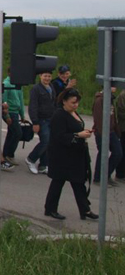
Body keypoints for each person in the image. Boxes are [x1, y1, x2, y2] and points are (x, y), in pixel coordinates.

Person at [44, 88, 98, 220]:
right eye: (73, 102)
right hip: (61, 156)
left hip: (75, 155)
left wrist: (83, 132)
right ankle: (50, 209)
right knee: (58, 182)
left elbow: (75, 128)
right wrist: (78, 135)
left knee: (78, 182)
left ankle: (85, 210)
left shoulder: (74, 113)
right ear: (64, 101)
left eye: (77, 102)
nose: (75, 105)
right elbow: (59, 136)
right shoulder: (59, 115)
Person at [26, 71, 56, 175]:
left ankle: (43, 165)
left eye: (49, 76)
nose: (47, 78)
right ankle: (31, 159)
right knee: (45, 141)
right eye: (45, 76)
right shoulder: (36, 89)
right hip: (41, 120)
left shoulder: (51, 87)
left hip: (50, 118)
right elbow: (33, 106)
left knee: (49, 142)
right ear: (40, 76)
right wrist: (35, 122)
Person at [92, 86, 122, 187]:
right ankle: (98, 178)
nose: (115, 88)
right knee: (103, 154)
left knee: (118, 153)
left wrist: (117, 131)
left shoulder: (110, 99)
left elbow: (113, 116)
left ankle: (106, 175)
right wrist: (103, 133)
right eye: (112, 86)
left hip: (111, 131)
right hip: (102, 132)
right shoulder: (99, 100)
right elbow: (98, 118)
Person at [2, 68, 25, 166]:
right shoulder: (6, 84)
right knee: (17, 133)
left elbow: (21, 100)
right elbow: (4, 101)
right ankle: (9, 154)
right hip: (10, 112)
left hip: (16, 112)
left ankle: (6, 153)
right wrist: (6, 115)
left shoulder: (18, 84)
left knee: (11, 133)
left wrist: (22, 114)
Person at [115, 88, 125, 183]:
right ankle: (120, 174)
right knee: (123, 151)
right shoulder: (123, 95)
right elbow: (121, 113)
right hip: (124, 128)